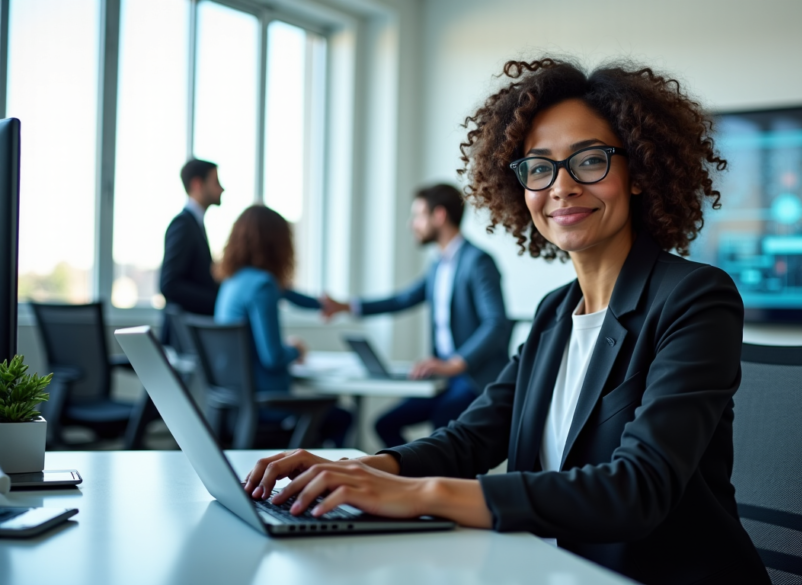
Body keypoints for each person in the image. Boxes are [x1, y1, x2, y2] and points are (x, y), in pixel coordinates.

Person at [243, 58, 770, 585]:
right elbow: (469, 439)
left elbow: (636, 489)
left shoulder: (695, 297)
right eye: (539, 167)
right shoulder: (554, 314)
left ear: (639, 172)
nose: (560, 187)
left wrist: (420, 495)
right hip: (551, 569)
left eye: (589, 160)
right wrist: (364, 469)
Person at [321, 184, 511, 448]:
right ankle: (413, 480)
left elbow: (496, 324)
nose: (412, 224)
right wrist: (346, 307)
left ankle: (436, 484)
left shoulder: (478, 261)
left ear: (439, 216)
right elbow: (403, 299)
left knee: (443, 425)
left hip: (471, 378)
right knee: (385, 424)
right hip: (443, 378)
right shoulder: (438, 265)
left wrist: (455, 363)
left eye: (418, 215)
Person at [215, 205, 352, 447]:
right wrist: (297, 349)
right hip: (269, 406)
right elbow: (273, 357)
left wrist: (325, 305)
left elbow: (291, 295)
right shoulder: (263, 284)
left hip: (235, 407)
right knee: (342, 417)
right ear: (278, 244)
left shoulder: (231, 284)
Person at [159, 159, 223, 344]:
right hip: (182, 338)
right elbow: (169, 285)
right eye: (216, 182)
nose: (222, 189)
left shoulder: (195, 224)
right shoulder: (183, 225)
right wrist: (218, 301)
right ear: (197, 184)